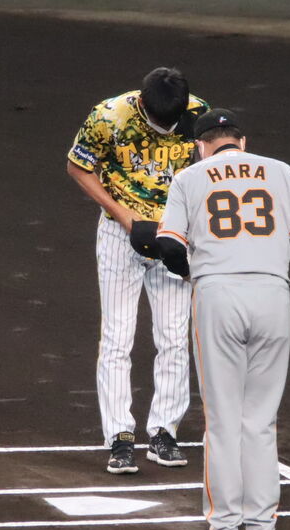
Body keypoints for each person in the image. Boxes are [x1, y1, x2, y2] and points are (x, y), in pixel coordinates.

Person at [152, 109, 290, 530]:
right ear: (241, 141)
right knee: (260, 420)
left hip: (218, 295)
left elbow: (168, 244)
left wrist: (197, 272)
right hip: (272, 295)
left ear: (201, 145)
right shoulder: (280, 171)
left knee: (223, 420)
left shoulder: (189, 177)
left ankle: (224, 529)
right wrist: (265, 260)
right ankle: (262, 528)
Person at [66, 67, 209, 474]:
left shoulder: (198, 114)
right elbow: (78, 166)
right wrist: (124, 216)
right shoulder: (109, 116)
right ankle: (119, 436)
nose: (168, 129)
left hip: (174, 235)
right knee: (117, 336)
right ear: (143, 104)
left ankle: (164, 430)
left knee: (174, 337)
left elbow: (209, 173)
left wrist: (187, 229)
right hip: (119, 233)